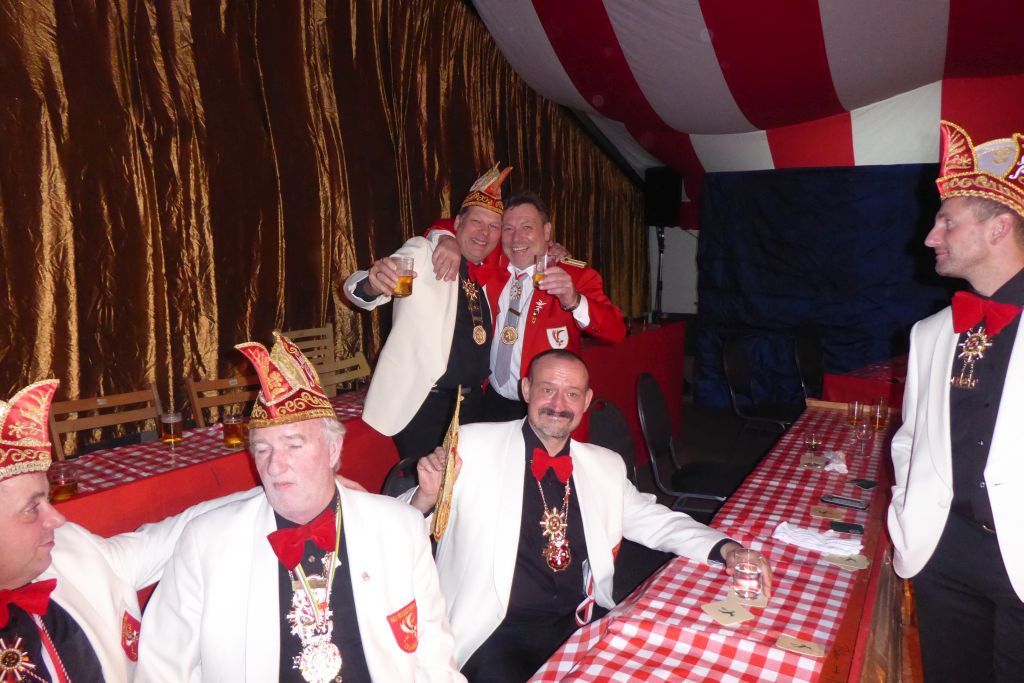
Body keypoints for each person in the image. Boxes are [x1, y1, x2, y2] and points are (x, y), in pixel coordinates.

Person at [403, 350, 771, 679]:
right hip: (496, 631)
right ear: (526, 389)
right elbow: (396, 527)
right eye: (547, 389)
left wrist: (726, 548)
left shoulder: (603, 465)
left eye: (572, 394)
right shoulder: (473, 445)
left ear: (586, 401)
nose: (558, 404)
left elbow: (655, 520)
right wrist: (426, 496)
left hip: (578, 621)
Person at [137, 332, 463, 682]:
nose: (275, 466)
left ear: (333, 450)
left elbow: (435, 662)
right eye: (263, 450)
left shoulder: (400, 529)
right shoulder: (206, 544)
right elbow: (161, 670)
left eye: (293, 445)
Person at [888, 120, 1024, 682]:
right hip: (942, 552)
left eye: (947, 221)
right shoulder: (930, 333)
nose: (930, 236)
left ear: (999, 228)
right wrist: (907, 508)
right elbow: (909, 440)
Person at [0, 379, 249, 682]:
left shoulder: (71, 550)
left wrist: (268, 497)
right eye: (32, 508)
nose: (58, 519)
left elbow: (175, 534)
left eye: (48, 500)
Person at [343, 165, 511, 459]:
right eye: (476, 222)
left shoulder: (487, 275)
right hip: (426, 407)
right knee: (429, 484)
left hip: (474, 405)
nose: (484, 233)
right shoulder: (424, 251)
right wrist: (372, 282)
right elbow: (359, 290)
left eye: (494, 226)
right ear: (457, 223)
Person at [432, 192, 626, 421]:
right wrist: (446, 239)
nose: (517, 238)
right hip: (490, 400)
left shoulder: (574, 276)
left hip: (543, 407)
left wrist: (575, 300)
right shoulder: (493, 264)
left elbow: (616, 331)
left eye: (527, 227)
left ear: (546, 231)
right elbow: (454, 226)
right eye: (508, 228)